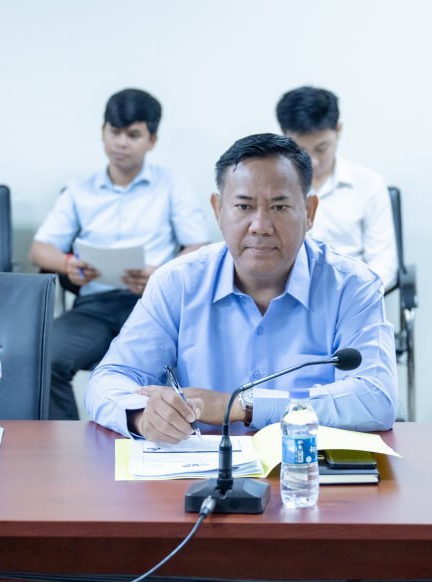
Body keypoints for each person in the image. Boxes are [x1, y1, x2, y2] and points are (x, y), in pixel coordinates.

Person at [85, 133, 396, 443]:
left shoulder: (352, 286)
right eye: (244, 206)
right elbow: (110, 379)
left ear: (309, 212)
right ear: (218, 210)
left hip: (308, 466)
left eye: (279, 207)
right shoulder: (177, 283)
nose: (260, 226)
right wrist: (144, 417)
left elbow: (376, 397)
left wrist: (239, 406)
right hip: (201, 468)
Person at [30, 89, 209, 420]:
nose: (121, 143)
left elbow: (198, 247)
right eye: (115, 132)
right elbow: (39, 249)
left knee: (169, 368)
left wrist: (160, 274)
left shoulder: (172, 185)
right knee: (44, 356)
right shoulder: (79, 190)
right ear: (103, 132)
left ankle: (152, 436)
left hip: (153, 305)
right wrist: (68, 264)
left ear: (152, 140)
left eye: (133, 135)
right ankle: (66, 439)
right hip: (94, 309)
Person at [275, 86, 397, 289]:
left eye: (322, 148)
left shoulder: (368, 184)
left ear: (338, 130)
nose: (313, 161)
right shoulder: (273, 186)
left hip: (354, 292)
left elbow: (383, 263)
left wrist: (357, 297)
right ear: (285, 137)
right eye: (302, 150)